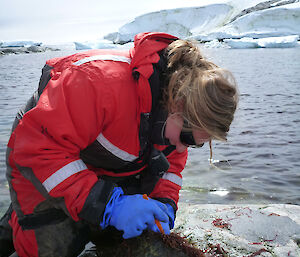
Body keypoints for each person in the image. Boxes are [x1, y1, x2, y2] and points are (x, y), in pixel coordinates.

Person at [0, 32, 238, 257]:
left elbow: (171, 167)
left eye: (194, 145)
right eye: (186, 139)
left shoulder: (170, 124)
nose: (181, 150)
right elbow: (39, 151)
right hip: (40, 150)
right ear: (178, 103)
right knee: (54, 246)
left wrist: (165, 202)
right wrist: (109, 205)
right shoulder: (98, 83)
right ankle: (17, 221)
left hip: (106, 158)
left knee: (119, 237)